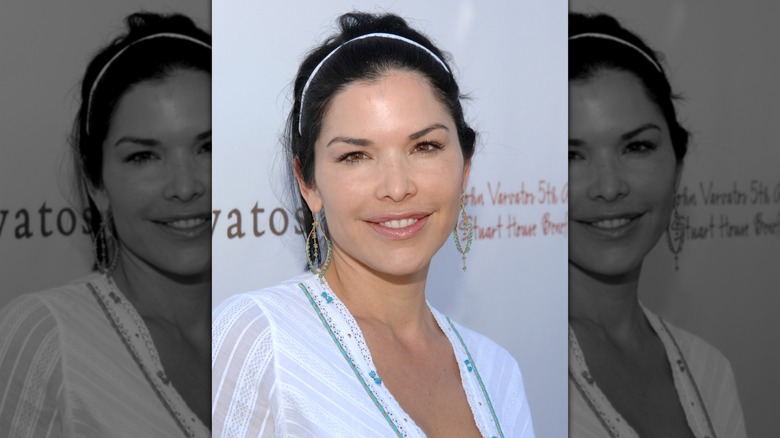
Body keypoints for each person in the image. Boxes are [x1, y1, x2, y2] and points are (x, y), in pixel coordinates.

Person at [212, 12, 534, 438]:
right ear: (308, 183)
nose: (397, 187)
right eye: (355, 156)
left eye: (425, 146)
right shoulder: (258, 339)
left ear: (465, 166)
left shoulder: (499, 374)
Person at [0, 12, 211, 437]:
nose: (186, 187)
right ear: (96, 184)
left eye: (209, 147)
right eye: (143, 156)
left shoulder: (285, 329)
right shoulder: (46, 336)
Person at [568, 12, 747, 438]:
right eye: (571, 155)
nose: (609, 187)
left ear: (678, 165)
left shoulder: (709, 370)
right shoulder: (506, 375)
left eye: (637, 146)